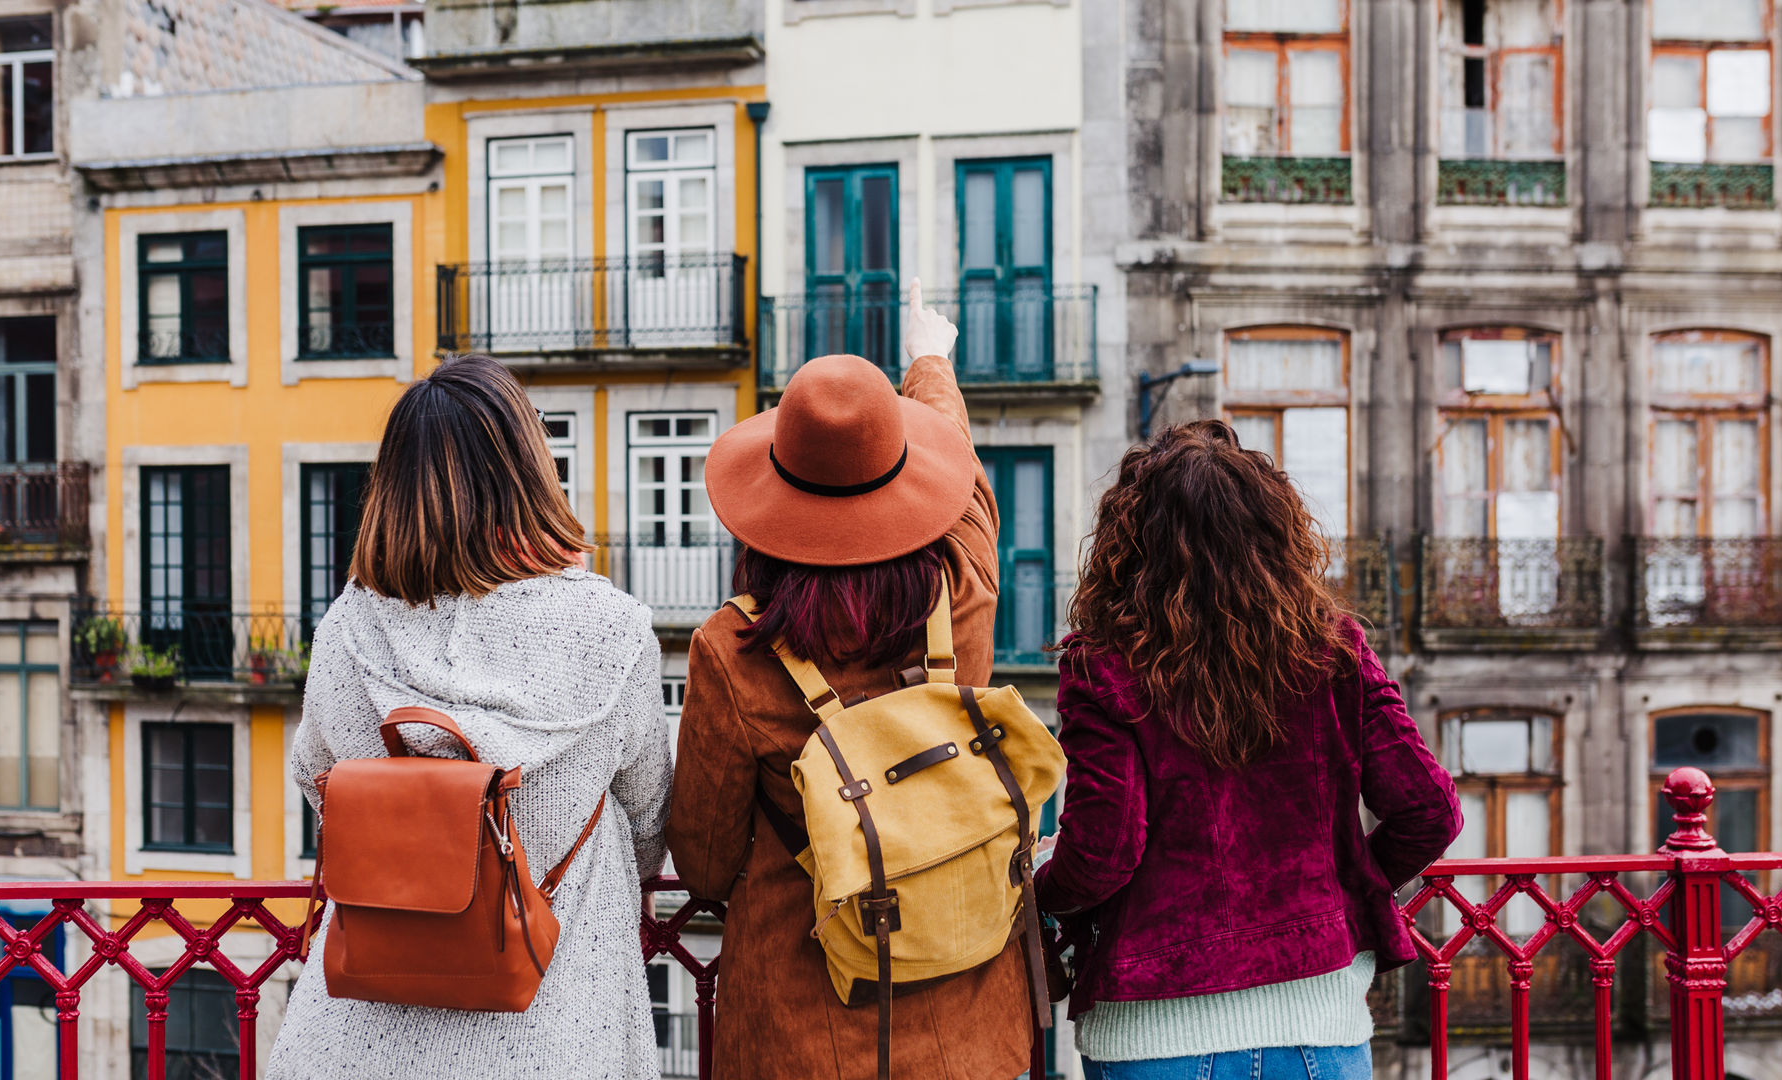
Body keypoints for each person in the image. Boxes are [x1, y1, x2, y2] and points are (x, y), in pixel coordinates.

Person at [665, 280, 1034, 1080]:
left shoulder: (732, 649)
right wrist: (929, 360)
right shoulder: (963, 587)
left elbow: (700, 861)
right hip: (970, 1032)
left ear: (769, 505)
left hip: (800, 1037)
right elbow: (960, 466)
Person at [268, 355, 673, 1080]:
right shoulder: (611, 630)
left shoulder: (349, 626)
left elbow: (316, 781)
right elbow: (649, 818)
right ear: (530, 469)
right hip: (552, 1029)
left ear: (392, 486)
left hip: (350, 1039)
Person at [1036, 420, 1463, 1080]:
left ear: (1129, 545)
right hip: (1320, 1023)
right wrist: (1343, 890)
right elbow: (1429, 810)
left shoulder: (1104, 669)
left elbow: (1104, 851)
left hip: (1154, 1035)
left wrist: (1042, 888)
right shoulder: (1336, 652)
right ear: (1275, 535)